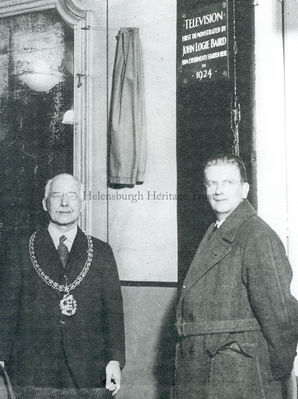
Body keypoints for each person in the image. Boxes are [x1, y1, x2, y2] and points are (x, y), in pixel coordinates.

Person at [174, 154, 298, 399]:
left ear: (244, 189)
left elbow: (279, 316)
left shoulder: (256, 236)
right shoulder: (215, 230)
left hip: (235, 375)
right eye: (212, 183)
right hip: (208, 370)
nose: (218, 190)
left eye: (228, 183)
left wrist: (272, 375)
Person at [0, 173, 125, 398]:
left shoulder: (102, 252)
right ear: (44, 204)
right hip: (33, 374)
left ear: (82, 202)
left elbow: (113, 314)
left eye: (72, 196)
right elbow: (7, 310)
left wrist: (114, 359)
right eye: (57, 196)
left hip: (89, 373)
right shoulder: (21, 250)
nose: (65, 203)